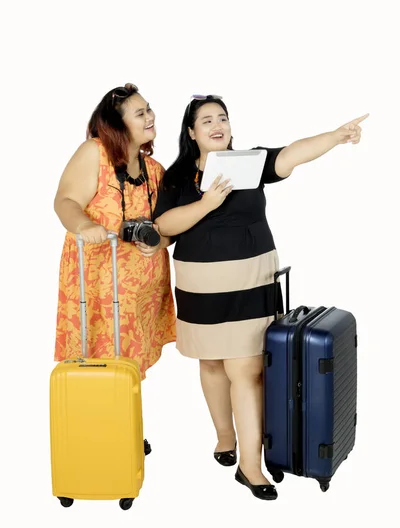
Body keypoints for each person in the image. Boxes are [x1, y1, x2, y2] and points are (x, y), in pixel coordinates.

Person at [154, 94, 366, 500]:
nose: (217, 125)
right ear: (191, 132)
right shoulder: (178, 177)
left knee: (247, 371)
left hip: (251, 282)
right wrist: (206, 203)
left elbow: (292, 154)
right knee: (213, 363)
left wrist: (336, 136)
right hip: (200, 285)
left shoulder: (247, 161)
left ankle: (249, 466)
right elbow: (165, 227)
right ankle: (224, 438)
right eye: (206, 120)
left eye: (223, 118)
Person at [54, 83, 176, 380]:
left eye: (149, 109)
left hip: (142, 296)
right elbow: (65, 201)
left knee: (129, 376)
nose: (150, 116)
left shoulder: (155, 169)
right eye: (140, 113)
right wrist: (84, 225)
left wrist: (162, 241)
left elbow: (168, 225)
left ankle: (122, 426)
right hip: (98, 289)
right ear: (118, 124)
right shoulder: (94, 153)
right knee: (98, 372)